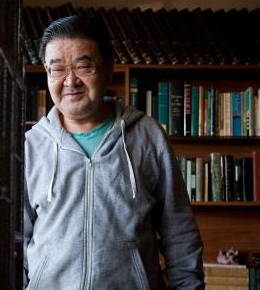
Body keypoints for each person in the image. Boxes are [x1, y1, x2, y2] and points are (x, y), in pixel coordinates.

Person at [23, 15, 205, 290]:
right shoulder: (31, 145)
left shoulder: (147, 135)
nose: (70, 81)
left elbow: (179, 232)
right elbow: (15, 242)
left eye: (84, 66)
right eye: (57, 69)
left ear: (109, 67)